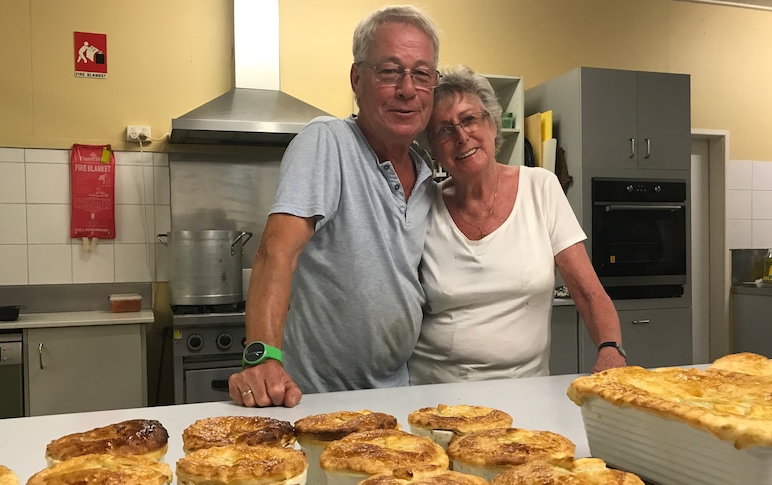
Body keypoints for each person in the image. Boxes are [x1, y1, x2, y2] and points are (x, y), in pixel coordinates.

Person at [228, 5, 440, 407]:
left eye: (421, 74)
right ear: (357, 79)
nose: (408, 89)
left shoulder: (427, 174)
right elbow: (276, 252)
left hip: (398, 394)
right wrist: (263, 357)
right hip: (318, 401)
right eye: (390, 71)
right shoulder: (328, 142)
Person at [408, 66, 626, 385]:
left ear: (493, 124)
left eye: (469, 119)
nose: (461, 136)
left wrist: (611, 350)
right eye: (443, 130)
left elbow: (588, 293)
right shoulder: (424, 204)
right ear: (432, 148)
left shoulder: (541, 188)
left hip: (525, 388)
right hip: (436, 391)